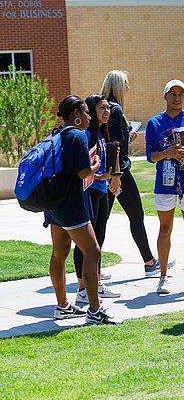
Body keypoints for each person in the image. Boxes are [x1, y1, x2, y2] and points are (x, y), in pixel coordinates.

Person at [44, 95, 122, 325]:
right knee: (93, 251)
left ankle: (63, 306)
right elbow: (83, 173)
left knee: (59, 253)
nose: (89, 117)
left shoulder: (57, 134)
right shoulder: (77, 135)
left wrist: (95, 174)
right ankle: (95, 310)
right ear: (76, 116)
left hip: (53, 204)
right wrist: (95, 166)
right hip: (71, 205)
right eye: (86, 112)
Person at [101, 70, 175, 277]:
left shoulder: (102, 106)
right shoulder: (114, 109)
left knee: (100, 219)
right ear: (118, 85)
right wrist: (117, 175)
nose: (129, 87)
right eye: (126, 83)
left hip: (105, 172)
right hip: (118, 171)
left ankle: (93, 267)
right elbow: (116, 145)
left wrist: (126, 136)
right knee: (136, 216)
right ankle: (150, 262)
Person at [145, 79, 184, 294]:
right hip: (165, 182)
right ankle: (162, 276)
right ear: (165, 97)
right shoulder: (154, 123)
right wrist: (167, 153)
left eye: (181, 94)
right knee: (165, 228)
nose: (177, 98)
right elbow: (150, 156)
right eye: (173, 94)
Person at [73, 94, 121, 304]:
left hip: (102, 190)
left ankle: (96, 284)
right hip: (89, 191)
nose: (106, 112)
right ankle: (83, 288)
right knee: (86, 243)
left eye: (108, 108)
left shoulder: (102, 133)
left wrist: (111, 175)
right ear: (92, 110)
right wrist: (101, 176)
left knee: (98, 239)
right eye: (102, 108)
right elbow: (83, 170)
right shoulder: (86, 135)